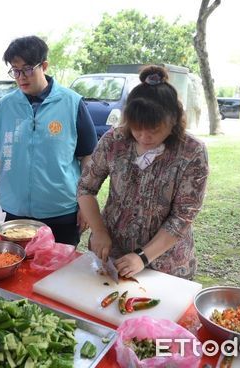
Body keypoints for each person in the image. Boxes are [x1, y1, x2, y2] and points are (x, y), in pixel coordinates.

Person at [78, 65, 209, 280]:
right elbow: (86, 187)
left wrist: (142, 257)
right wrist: (99, 231)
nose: (144, 136)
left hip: (166, 262)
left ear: (174, 120)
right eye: (137, 127)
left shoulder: (192, 151)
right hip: (112, 253)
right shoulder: (114, 141)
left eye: (154, 129)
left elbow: (183, 216)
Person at [0, 35, 97, 246]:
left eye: (27, 69)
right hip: (12, 211)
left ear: (44, 66)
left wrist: (85, 204)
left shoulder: (72, 103)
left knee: (58, 275)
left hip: (60, 212)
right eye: (15, 70)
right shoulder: (5, 106)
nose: (21, 77)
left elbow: (88, 157)